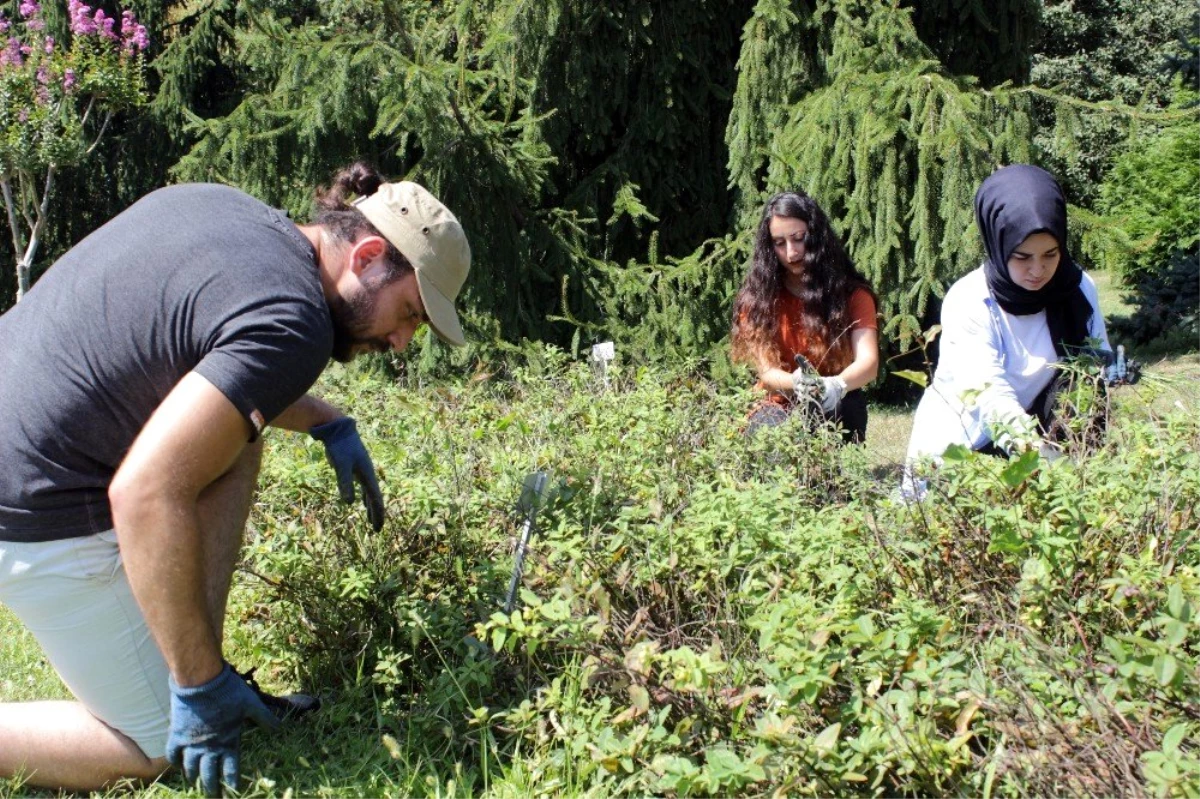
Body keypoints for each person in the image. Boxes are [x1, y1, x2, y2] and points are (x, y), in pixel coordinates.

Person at [0, 162, 470, 795]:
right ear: (368, 255)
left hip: (18, 434)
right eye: (409, 312)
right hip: (28, 500)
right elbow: (143, 492)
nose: (404, 340)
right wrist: (194, 690)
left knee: (235, 442)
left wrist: (325, 419)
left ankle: (202, 672)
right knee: (153, 745)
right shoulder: (295, 322)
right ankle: (198, 684)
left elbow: (201, 361)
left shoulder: (232, 212)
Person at [905, 163, 1111, 471]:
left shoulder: (1077, 288)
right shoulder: (971, 300)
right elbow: (988, 396)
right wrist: (1038, 456)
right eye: (1022, 257)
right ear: (998, 245)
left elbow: (1095, 367)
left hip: (1042, 433)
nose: (1038, 270)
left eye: (1050, 255)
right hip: (967, 446)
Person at [730, 190, 880, 442]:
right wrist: (796, 383)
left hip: (832, 402)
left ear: (817, 236)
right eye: (779, 243)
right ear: (769, 247)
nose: (791, 253)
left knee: (850, 407)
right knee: (774, 439)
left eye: (799, 238)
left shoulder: (853, 295)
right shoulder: (757, 300)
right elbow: (766, 372)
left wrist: (836, 385)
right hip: (776, 404)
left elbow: (869, 364)